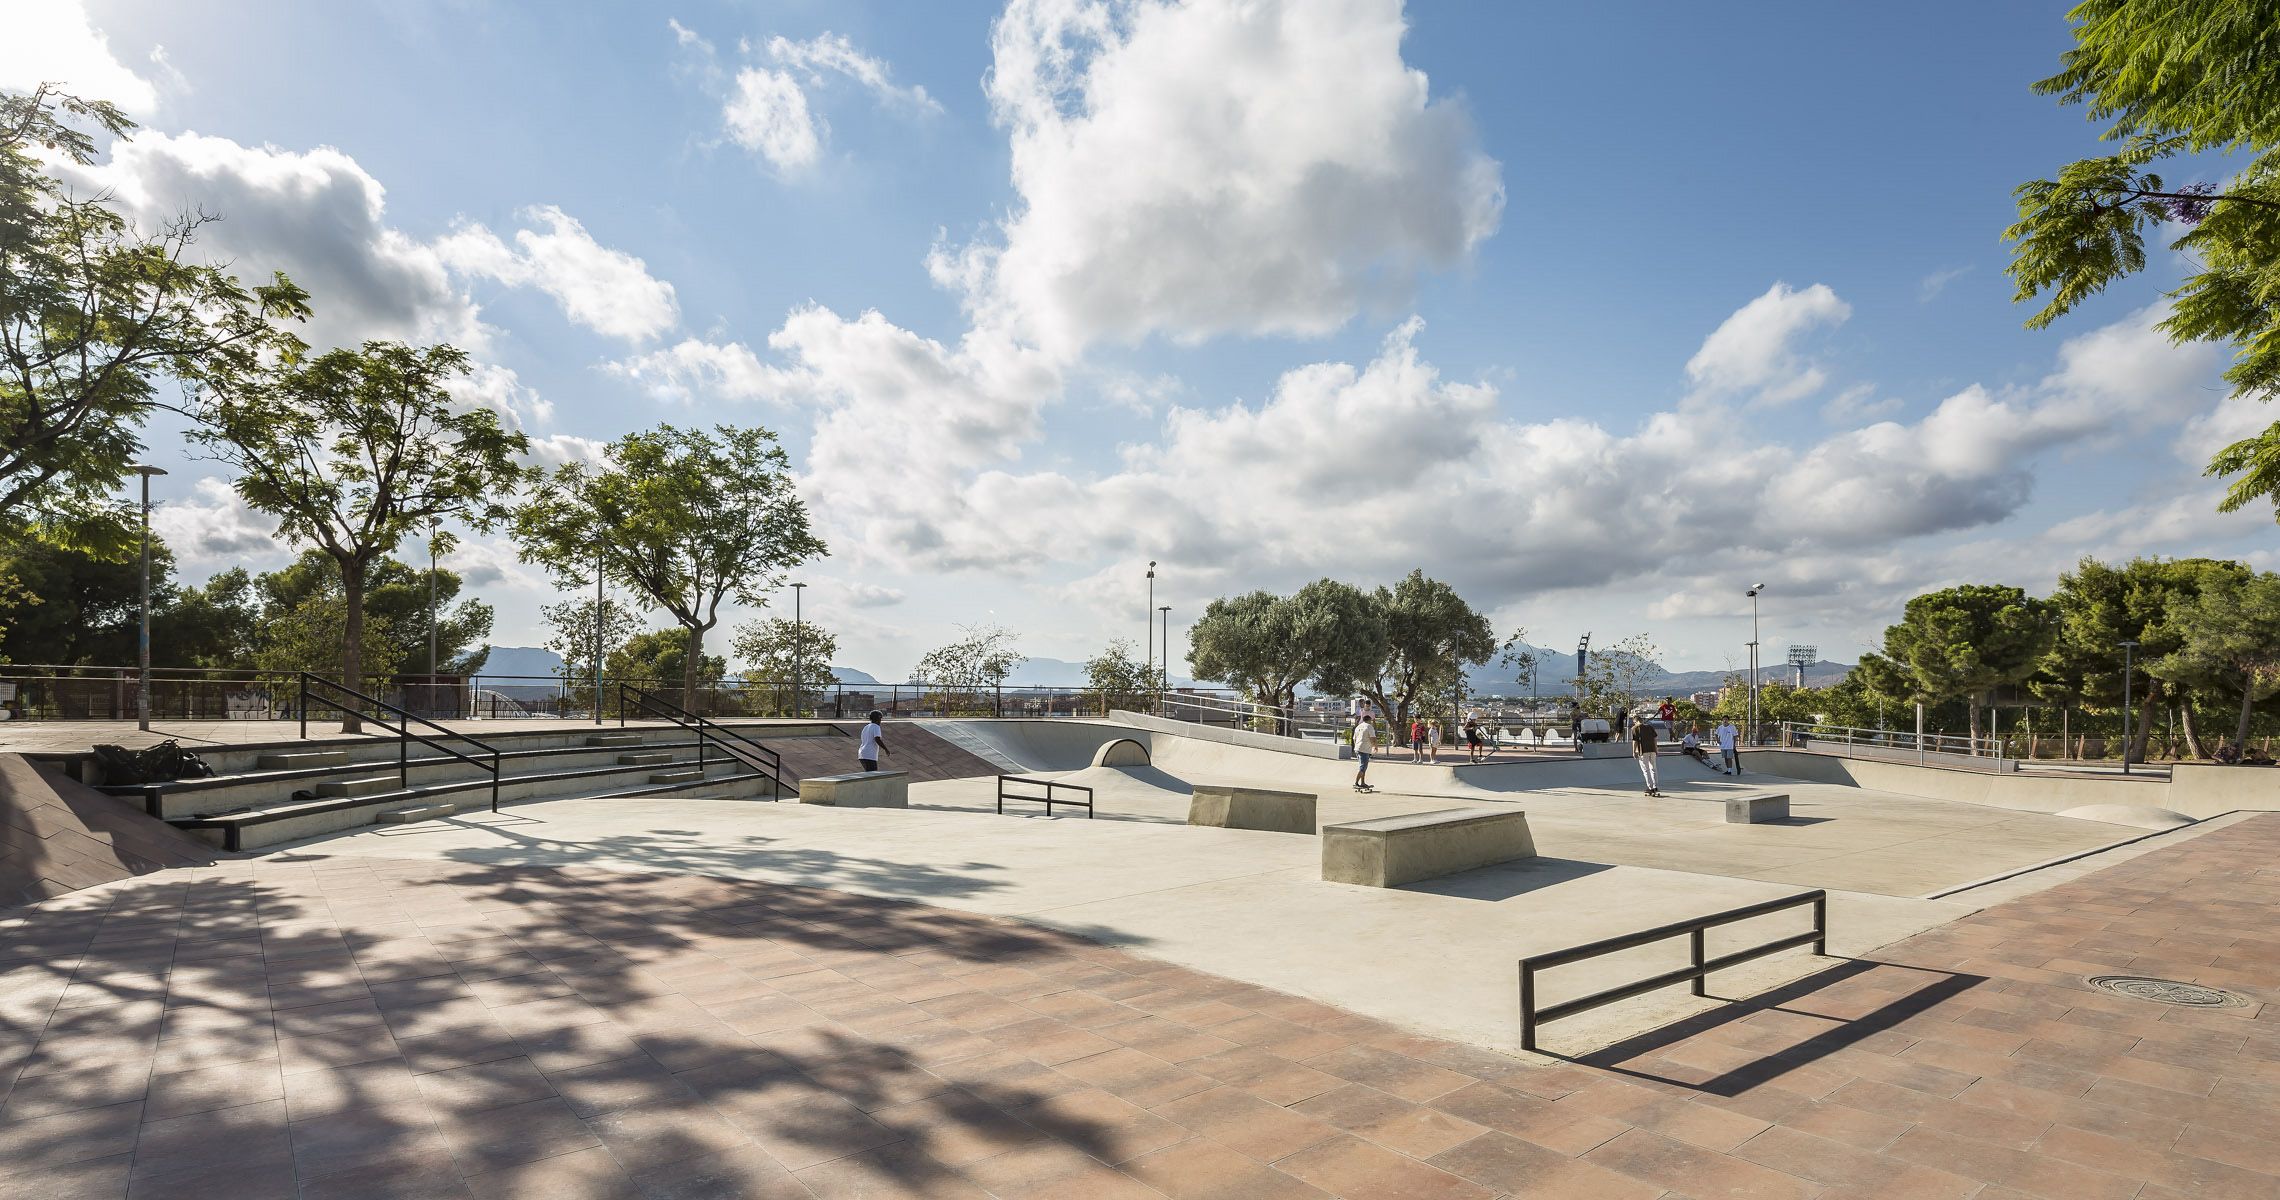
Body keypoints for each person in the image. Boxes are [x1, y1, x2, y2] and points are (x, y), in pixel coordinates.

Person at [1631, 717, 1661, 796]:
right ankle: (1655, 787)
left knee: (1646, 770)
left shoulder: (1635, 728)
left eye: (1634, 722)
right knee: (1653, 768)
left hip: (1643, 751)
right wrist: (1656, 749)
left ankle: (1650, 787)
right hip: (1652, 750)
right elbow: (1655, 738)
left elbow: (1635, 741)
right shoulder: (1650, 727)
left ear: (1636, 721)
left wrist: (1634, 752)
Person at [1352, 713, 1377, 792]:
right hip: (1364, 749)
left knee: (1363, 767)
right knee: (1363, 767)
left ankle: (1362, 782)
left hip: (1358, 748)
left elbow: (1354, 738)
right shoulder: (1369, 726)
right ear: (1369, 720)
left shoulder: (1358, 727)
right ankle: (1356, 783)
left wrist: (1356, 747)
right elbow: (1373, 738)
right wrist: (1375, 746)